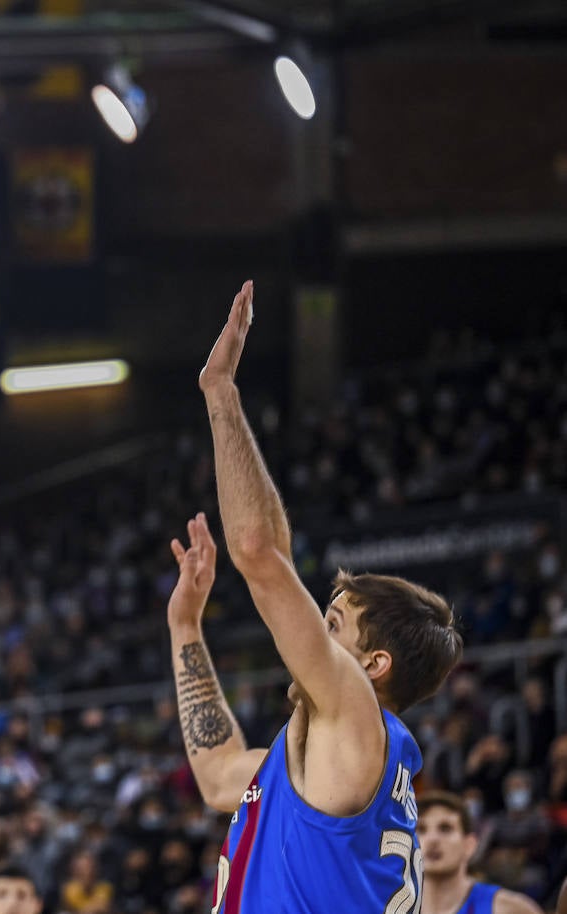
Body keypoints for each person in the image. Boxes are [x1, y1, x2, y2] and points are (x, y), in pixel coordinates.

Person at [168, 281, 464, 912]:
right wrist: (186, 628)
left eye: (333, 624)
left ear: (373, 664)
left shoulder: (355, 715)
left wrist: (220, 394)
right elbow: (218, 773)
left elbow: (258, 552)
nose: (313, 635)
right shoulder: (321, 753)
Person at [417, 790, 542, 914]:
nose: (432, 839)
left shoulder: (510, 909)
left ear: (469, 845)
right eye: (421, 829)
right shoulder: (399, 907)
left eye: (445, 829)